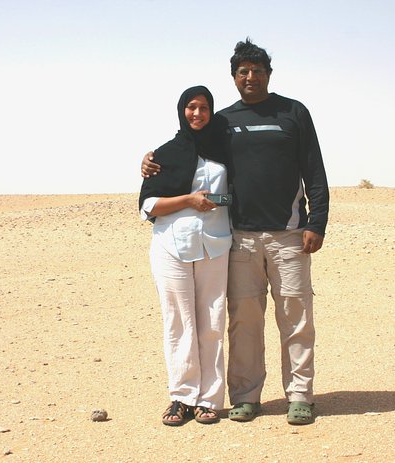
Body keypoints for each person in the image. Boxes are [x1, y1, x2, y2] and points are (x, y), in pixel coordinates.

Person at [142, 39, 329, 425]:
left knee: (296, 317)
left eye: (257, 71)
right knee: (243, 321)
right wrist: (149, 161)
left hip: (290, 235)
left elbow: (314, 169)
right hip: (240, 238)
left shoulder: (293, 113)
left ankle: (299, 396)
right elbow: (187, 146)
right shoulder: (224, 121)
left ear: (268, 75)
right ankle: (245, 396)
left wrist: (317, 222)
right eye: (243, 71)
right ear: (234, 77)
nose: (250, 77)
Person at [138, 85, 232, 426]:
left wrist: (214, 201)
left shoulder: (227, 150)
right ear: (182, 110)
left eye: (204, 107)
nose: (197, 114)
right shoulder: (165, 153)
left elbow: (236, 194)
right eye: (191, 107)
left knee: (212, 321)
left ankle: (209, 399)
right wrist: (189, 200)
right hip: (171, 246)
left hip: (216, 244)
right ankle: (181, 396)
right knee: (179, 322)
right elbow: (148, 205)